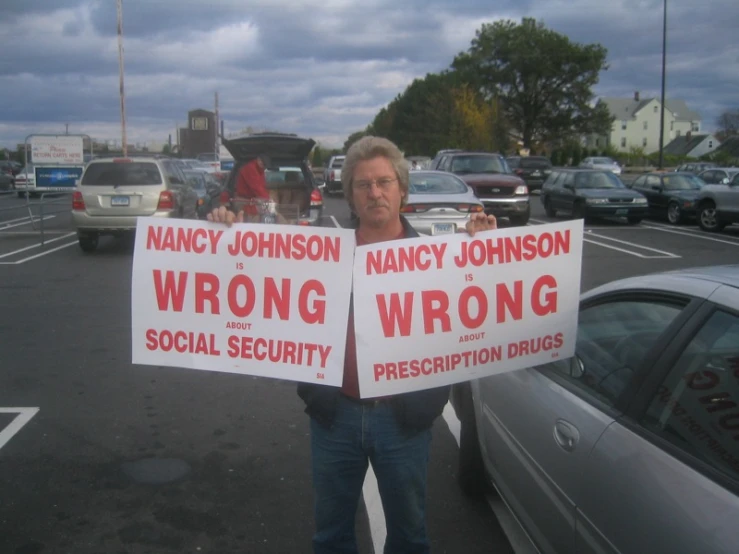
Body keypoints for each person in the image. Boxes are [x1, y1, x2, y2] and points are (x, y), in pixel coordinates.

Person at [208, 136, 496, 553]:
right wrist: (225, 233)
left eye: (384, 182)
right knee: (331, 536)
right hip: (335, 416)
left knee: (409, 537)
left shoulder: (438, 258)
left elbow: (478, 312)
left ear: (401, 189)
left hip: (404, 421)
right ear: (351, 195)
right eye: (363, 185)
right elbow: (253, 268)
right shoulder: (319, 252)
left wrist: (487, 251)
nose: (375, 192)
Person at [231, 154, 271, 220]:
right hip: (243, 201)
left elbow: (262, 187)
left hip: (251, 201)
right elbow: (256, 187)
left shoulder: (260, 170)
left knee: (267, 210)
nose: (264, 166)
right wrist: (268, 199)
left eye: (265, 165)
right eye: (263, 163)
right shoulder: (250, 168)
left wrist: (266, 198)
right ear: (258, 160)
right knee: (254, 218)